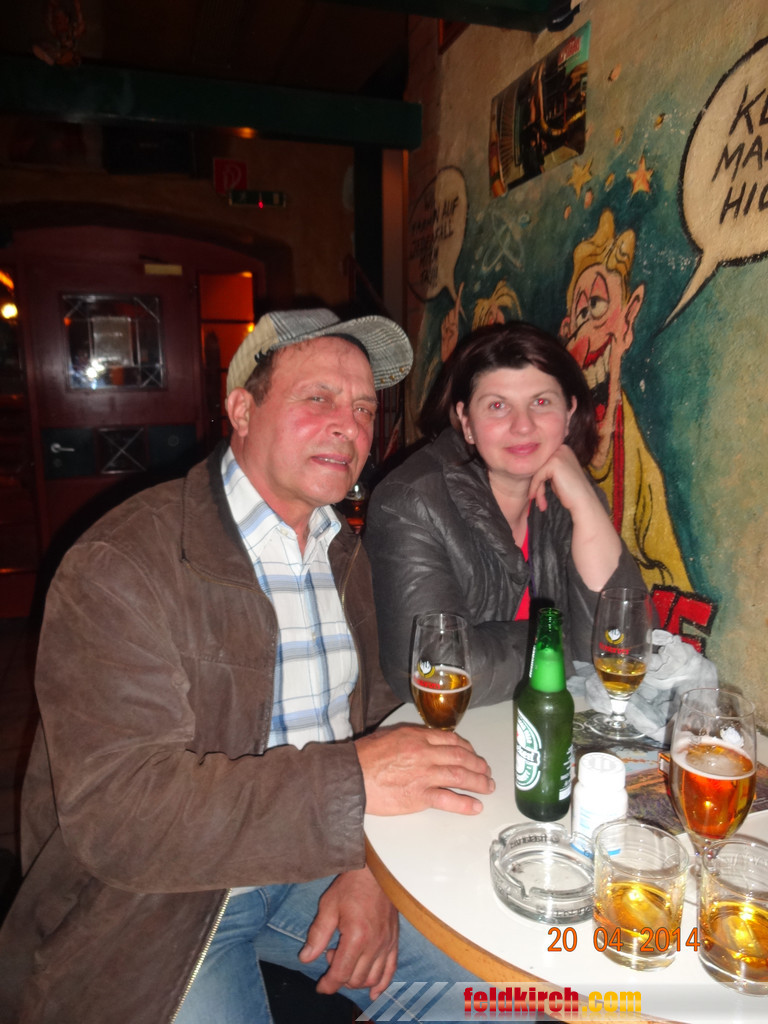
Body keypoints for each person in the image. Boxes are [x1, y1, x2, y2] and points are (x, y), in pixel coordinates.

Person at [0, 308, 494, 1024]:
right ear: (241, 409)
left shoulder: (344, 552)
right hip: (162, 899)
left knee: (494, 996)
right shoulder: (121, 563)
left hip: (317, 857)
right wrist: (353, 786)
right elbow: (120, 815)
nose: (349, 427)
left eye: (364, 408)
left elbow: (373, 720)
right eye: (318, 398)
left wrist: (368, 870)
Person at [364, 320, 647, 706]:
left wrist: (587, 503)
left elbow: (626, 644)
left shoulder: (572, 496)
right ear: (466, 422)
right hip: (435, 727)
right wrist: (567, 646)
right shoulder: (410, 502)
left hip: (545, 716)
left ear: (569, 413)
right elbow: (437, 669)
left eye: (541, 402)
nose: (523, 425)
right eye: (497, 406)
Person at [559, 208, 692, 590]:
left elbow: (672, 581)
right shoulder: (550, 439)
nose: (585, 332)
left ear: (628, 319)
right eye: (579, 314)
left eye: (597, 307)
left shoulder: (638, 463)